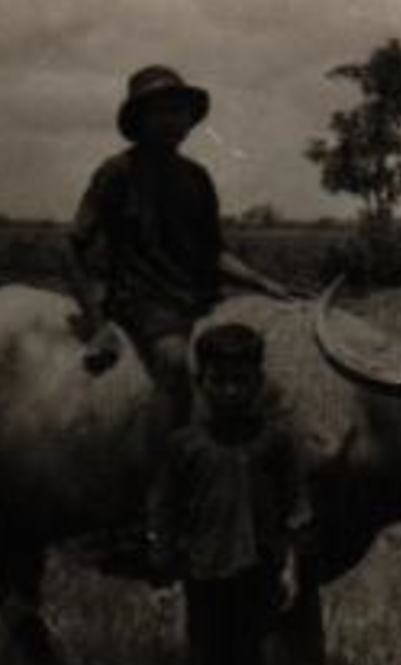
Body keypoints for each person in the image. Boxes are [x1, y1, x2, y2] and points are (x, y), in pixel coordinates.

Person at [68, 64, 294, 420]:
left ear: (190, 118)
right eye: (158, 111)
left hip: (199, 301)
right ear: (139, 120)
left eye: (178, 110)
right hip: (145, 304)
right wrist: (98, 326)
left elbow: (212, 253)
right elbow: (73, 246)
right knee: (176, 366)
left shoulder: (196, 178)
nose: (171, 120)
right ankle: (175, 459)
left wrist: (263, 282)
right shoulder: (118, 172)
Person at [147, 322, 312, 665]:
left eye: (241, 381)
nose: (230, 392)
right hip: (205, 575)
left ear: (258, 383)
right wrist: (166, 575)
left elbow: (297, 506)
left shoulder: (276, 441)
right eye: (219, 381)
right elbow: (164, 511)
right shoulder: (184, 446)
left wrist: (290, 567)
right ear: (202, 384)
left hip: (260, 574)